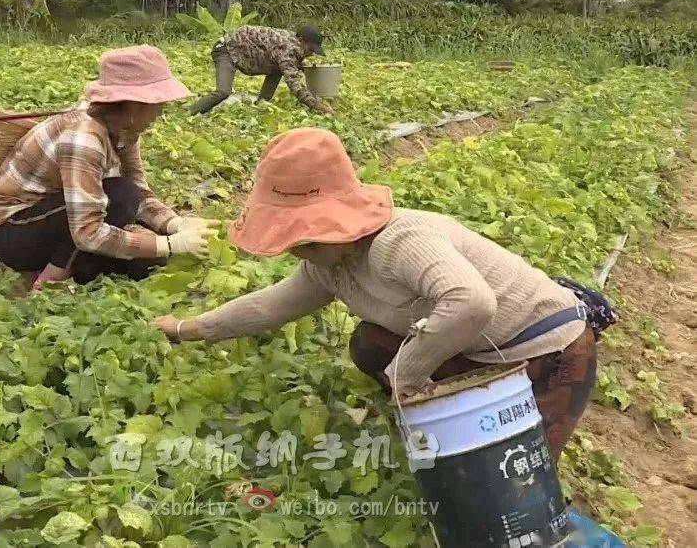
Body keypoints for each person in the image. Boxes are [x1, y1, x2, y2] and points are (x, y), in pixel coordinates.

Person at [153, 128, 603, 460]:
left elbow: (473, 302)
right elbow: (269, 308)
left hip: (550, 350)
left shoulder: (397, 241)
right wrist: (186, 329)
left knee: (513, 470)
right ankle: (444, 412)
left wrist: (405, 378)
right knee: (370, 343)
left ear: (337, 222)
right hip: (480, 349)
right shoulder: (329, 265)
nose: (297, 252)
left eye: (304, 239)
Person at [0, 45, 219, 290]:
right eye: (157, 104)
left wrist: (175, 224)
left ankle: (79, 268)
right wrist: (169, 244)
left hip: (63, 218)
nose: (160, 113)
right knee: (119, 195)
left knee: (146, 263)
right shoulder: (83, 136)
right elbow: (87, 231)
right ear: (132, 104)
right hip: (15, 231)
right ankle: (50, 281)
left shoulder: (125, 129)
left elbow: (140, 192)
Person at [188, 24, 334, 116]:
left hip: (238, 50)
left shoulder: (291, 41)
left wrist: (304, 67)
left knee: (277, 70)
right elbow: (295, 85)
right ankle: (190, 112)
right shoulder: (287, 49)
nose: (311, 53)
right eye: (310, 49)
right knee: (223, 92)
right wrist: (318, 106)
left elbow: (287, 62)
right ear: (302, 41)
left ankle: (261, 105)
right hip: (226, 50)